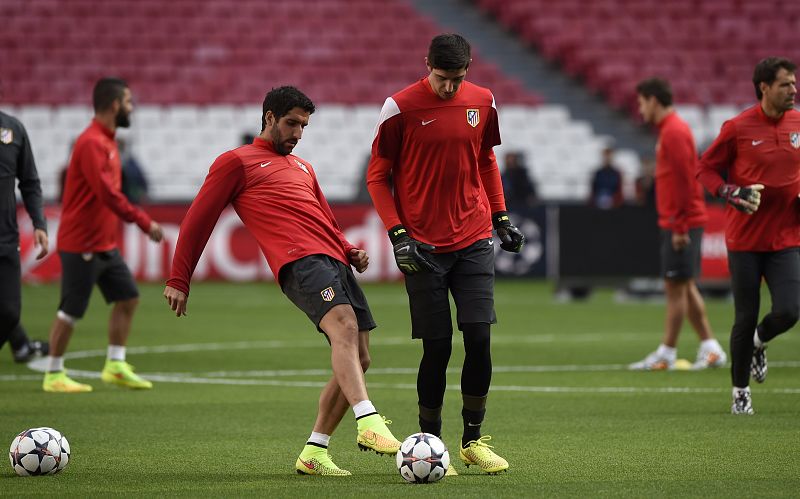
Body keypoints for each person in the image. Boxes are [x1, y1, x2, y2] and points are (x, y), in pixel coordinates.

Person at [164, 86, 401, 476]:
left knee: (360, 356)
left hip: (332, 261)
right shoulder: (236, 162)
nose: (297, 133)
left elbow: (325, 217)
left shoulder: (304, 168)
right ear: (269, 118)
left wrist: (348, 248)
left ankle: (315, 451)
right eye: (291, 123)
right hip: (300, 262)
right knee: (343, 325)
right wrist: (179, 277)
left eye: (304, 126)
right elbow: (198, 218)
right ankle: (369, 421)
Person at [367, 33, 524, 475]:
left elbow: (486, 161)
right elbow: (378, 177)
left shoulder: (484, 101)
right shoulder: (399, 108)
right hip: (424, 248)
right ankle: (430, 443)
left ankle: (473, 440)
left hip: (474, 238)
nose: (450, 88)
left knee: (479, 338)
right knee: (437, 348)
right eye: (442, 78)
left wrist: (502, 217)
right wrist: (398, 234)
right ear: (426, 65)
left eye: (458, 79)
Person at [42, 77, 164, 393]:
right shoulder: (91, 143)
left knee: (128, 297)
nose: (131, 108)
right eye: (127, 102)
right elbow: (108, 195)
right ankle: (54, 373)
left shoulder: (108, 141)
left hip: (103, 243)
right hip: (80, 242)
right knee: (71, 310)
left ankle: (115, 364)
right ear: (113, 105)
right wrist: (142, 221)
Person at [697, 57, 800, 415]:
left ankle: (760, 341)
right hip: (744, 239)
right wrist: (729, 192)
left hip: (786, 236)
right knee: (745, 315)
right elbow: (705, 168)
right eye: (786, 84)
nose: (793, 90)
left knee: (789, 311)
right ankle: (740, 392)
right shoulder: (738, 127)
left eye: (793, 83)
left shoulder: (798, 122)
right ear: (764, 87)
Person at [629, 78, 727, 371]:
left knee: (674, 286)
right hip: (679, 220)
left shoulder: (673, 131)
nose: (640, 108)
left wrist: (680, 226)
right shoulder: (670, 130)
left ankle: (667, 352)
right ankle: (711, 348)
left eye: (642, 102)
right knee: (684, 285)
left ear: (654, 100)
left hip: (681, 222)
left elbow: (686, 180)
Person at [0, 108, 50, 361]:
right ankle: (21, 346)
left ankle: (20, 345)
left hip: (6, 238)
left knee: (9, 312)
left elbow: (29, 181)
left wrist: (39, 223)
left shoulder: (14, 129)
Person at [118, 137, 149, 205]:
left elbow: (141, 179)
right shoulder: (110, 161)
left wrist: (142, 192)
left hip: (131, 199)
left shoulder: (131, 162)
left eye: (121, 145)